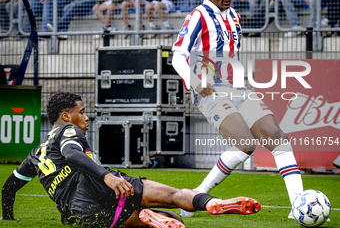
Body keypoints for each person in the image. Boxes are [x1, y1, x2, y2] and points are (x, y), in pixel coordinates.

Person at [1, 92, 261, 228]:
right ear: (66, 116)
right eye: (82, 112)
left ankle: (148, 217)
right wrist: (106, 174)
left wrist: (8, 218)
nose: (87, 117)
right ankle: (213, 202)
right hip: (99, 182)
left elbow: (9, 188)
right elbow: (71, 153)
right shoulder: (68, 131)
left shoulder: (35, 153)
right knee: (174, 196)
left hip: (77, 209)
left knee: (160, 221)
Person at [171, 0, 303, 219]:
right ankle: (197, 195)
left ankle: (299, 207)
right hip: (209, 90)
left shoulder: (234, 16)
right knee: (245, 143)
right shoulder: (198, 16)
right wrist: (194, 81)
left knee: (278, 137)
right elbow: (178, 55)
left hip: (237, 88)